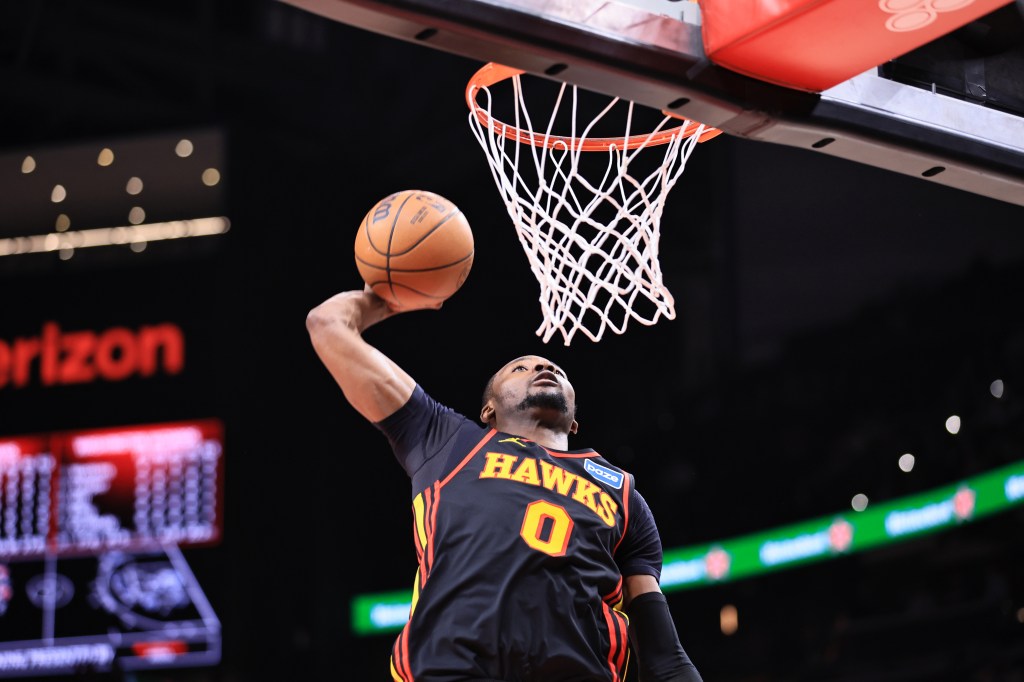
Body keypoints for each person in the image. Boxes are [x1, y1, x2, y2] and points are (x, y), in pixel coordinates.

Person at [307, 287, 702, 682]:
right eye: (520, 368)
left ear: (575, 421)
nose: (543, 368)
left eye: (556, 370)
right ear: (488, 411)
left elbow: (664, 655)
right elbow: (326, 325)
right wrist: (387, 297)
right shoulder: (448, 441)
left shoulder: (621, 491)